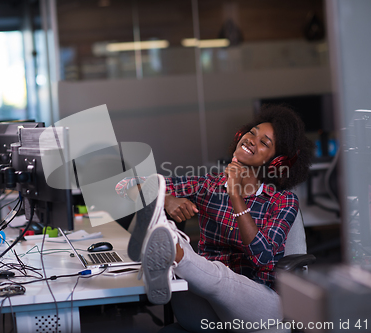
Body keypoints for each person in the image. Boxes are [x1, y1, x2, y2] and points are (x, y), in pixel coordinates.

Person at [116, 104, 313, 332]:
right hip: (207, 309)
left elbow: (263, 258)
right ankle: (172, 248)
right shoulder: (208, 185)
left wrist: (235, 194)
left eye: (264, 142)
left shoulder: (283, 201)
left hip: (258, 309)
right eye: (252, 133)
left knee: (216, 275)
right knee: (191, 267)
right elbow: (125, 185)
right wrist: (167, 198)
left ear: (276, 161)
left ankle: (175, 254)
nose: (251, 139)